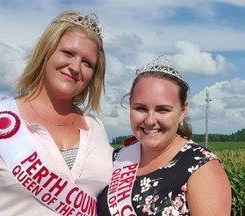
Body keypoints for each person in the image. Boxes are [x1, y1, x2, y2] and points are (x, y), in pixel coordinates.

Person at [0, 10, 113, 215]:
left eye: (87, 63)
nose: (75, 67)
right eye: (68, 53)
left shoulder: (96, 127)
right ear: (45, 52)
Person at [97, 55, 232, 215]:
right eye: (141, 108)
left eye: (163, 110)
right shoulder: (116, 158)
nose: (150, 120)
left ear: (182, 111)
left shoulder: (201, 166)